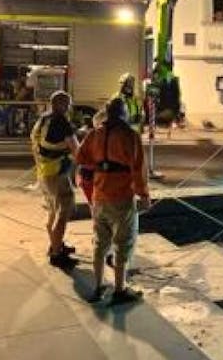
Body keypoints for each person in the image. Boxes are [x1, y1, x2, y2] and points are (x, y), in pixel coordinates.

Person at [76, 97, 150, 305]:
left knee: (100, 244)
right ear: (123, 113)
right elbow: (139, 169)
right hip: (121, 197)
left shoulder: (95, 133)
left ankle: (98, 287)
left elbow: (81, 158)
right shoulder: (129, 136)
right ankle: (120, 289)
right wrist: (144, 195)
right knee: (123, 244)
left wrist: (101, 166)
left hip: (99, 196)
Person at [31, 90, 80, 270]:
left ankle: (55, 244)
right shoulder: (62, 122)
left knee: (52, 210)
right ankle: (57, 254)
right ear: (61, 104)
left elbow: (36, 142)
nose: (69, 108)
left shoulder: (43, 119)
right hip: (58, 174)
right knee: (64, 210)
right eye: (67, 104)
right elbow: (77, 151)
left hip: (44, 172)